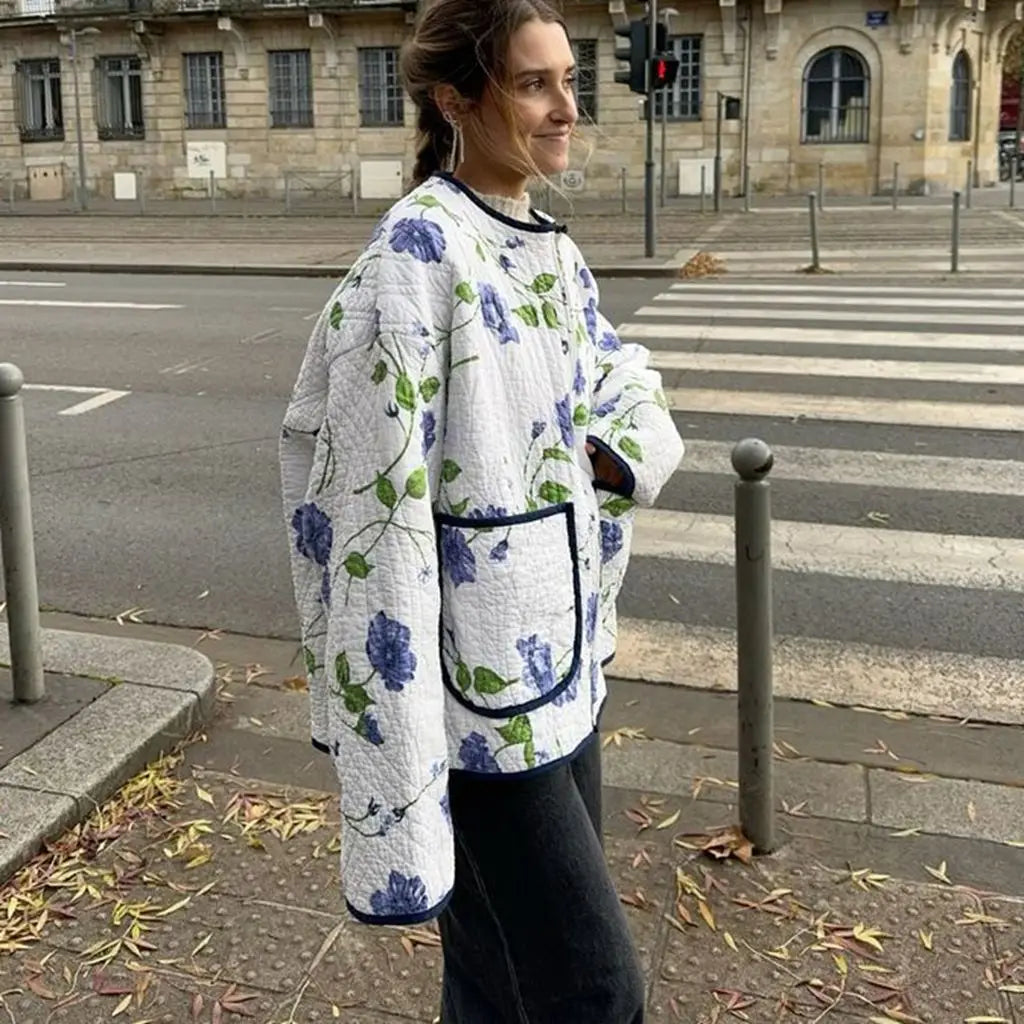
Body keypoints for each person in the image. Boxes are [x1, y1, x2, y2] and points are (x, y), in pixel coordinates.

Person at [279, 0, 684, 1019]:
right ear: (457, 100)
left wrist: (612, 452)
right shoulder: (417, 256)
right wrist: (395, 745)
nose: (567, 107)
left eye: (569, 80)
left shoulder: (549, 246)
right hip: (474, 695)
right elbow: (371, 512)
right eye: (535, 83)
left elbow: (616, 373)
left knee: (496, 975)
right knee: (595, 989)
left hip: (561, 654)